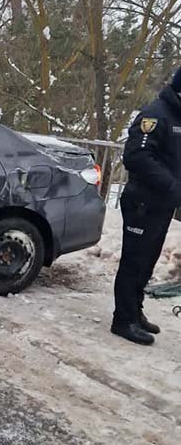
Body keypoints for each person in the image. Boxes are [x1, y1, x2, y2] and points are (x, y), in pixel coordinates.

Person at [112, 67, 181, 345]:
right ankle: (123, 320)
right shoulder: (156, 115)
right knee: (134, 261)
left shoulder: (176, 116)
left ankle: (134, 311)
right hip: (143, 202)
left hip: (161, 205)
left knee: (147, 260)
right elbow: (136, 155)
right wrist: (172, 185)